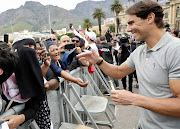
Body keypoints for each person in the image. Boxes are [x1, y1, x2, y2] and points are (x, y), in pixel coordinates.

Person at [77, 0, 180, 129]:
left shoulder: (176, 50)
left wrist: (134, 99)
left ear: (150, 18)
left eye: (131, 23)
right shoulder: (140, 51)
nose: (128, 29)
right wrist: (98, 60)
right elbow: (119, 72)